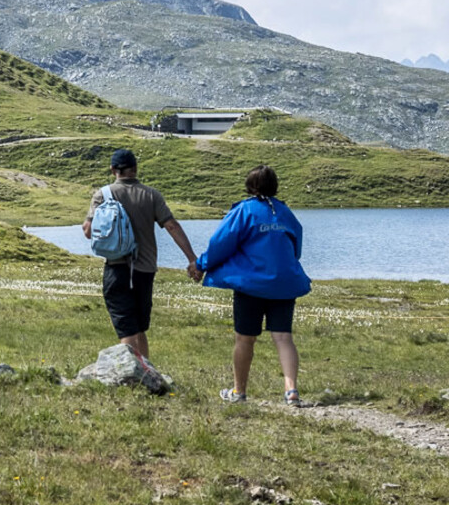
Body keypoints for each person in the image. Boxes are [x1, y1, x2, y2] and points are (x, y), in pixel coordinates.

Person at [190, 164, 312, 406]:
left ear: (249, 186)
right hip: (284, 284)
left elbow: (220, 244)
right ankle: (292, 391)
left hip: (251, 284)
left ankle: (239, 392)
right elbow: (296, 247)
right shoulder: (285, 212)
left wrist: (200, 264)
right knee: (283, 337)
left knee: (245, 338)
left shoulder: (244, 211)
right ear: (274, 186)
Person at [83, 149, 199, 362]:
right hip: (145, 269)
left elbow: (89, 231)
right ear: (135, 169)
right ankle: (148, 372)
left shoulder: (103, 194)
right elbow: (172, 226)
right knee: (139, 328)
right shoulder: (151, 195)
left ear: (113, 170)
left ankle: (131, 376)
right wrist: (192, 258)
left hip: (117, 268)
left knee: (127, 329)